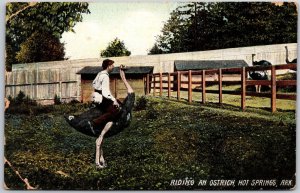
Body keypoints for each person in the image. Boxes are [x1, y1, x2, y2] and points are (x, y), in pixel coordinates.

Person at [88, 59, 120, 132]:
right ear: (108, 66)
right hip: (102, 97)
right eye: (112, 65)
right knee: (114, 111)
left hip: (97, 96)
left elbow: (93, 83)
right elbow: (106, 93)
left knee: (112, 107)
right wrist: (114, 100)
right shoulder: (105, 76)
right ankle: (94, 123)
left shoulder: (100, 73)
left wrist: (98, 89)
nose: (113, 67)